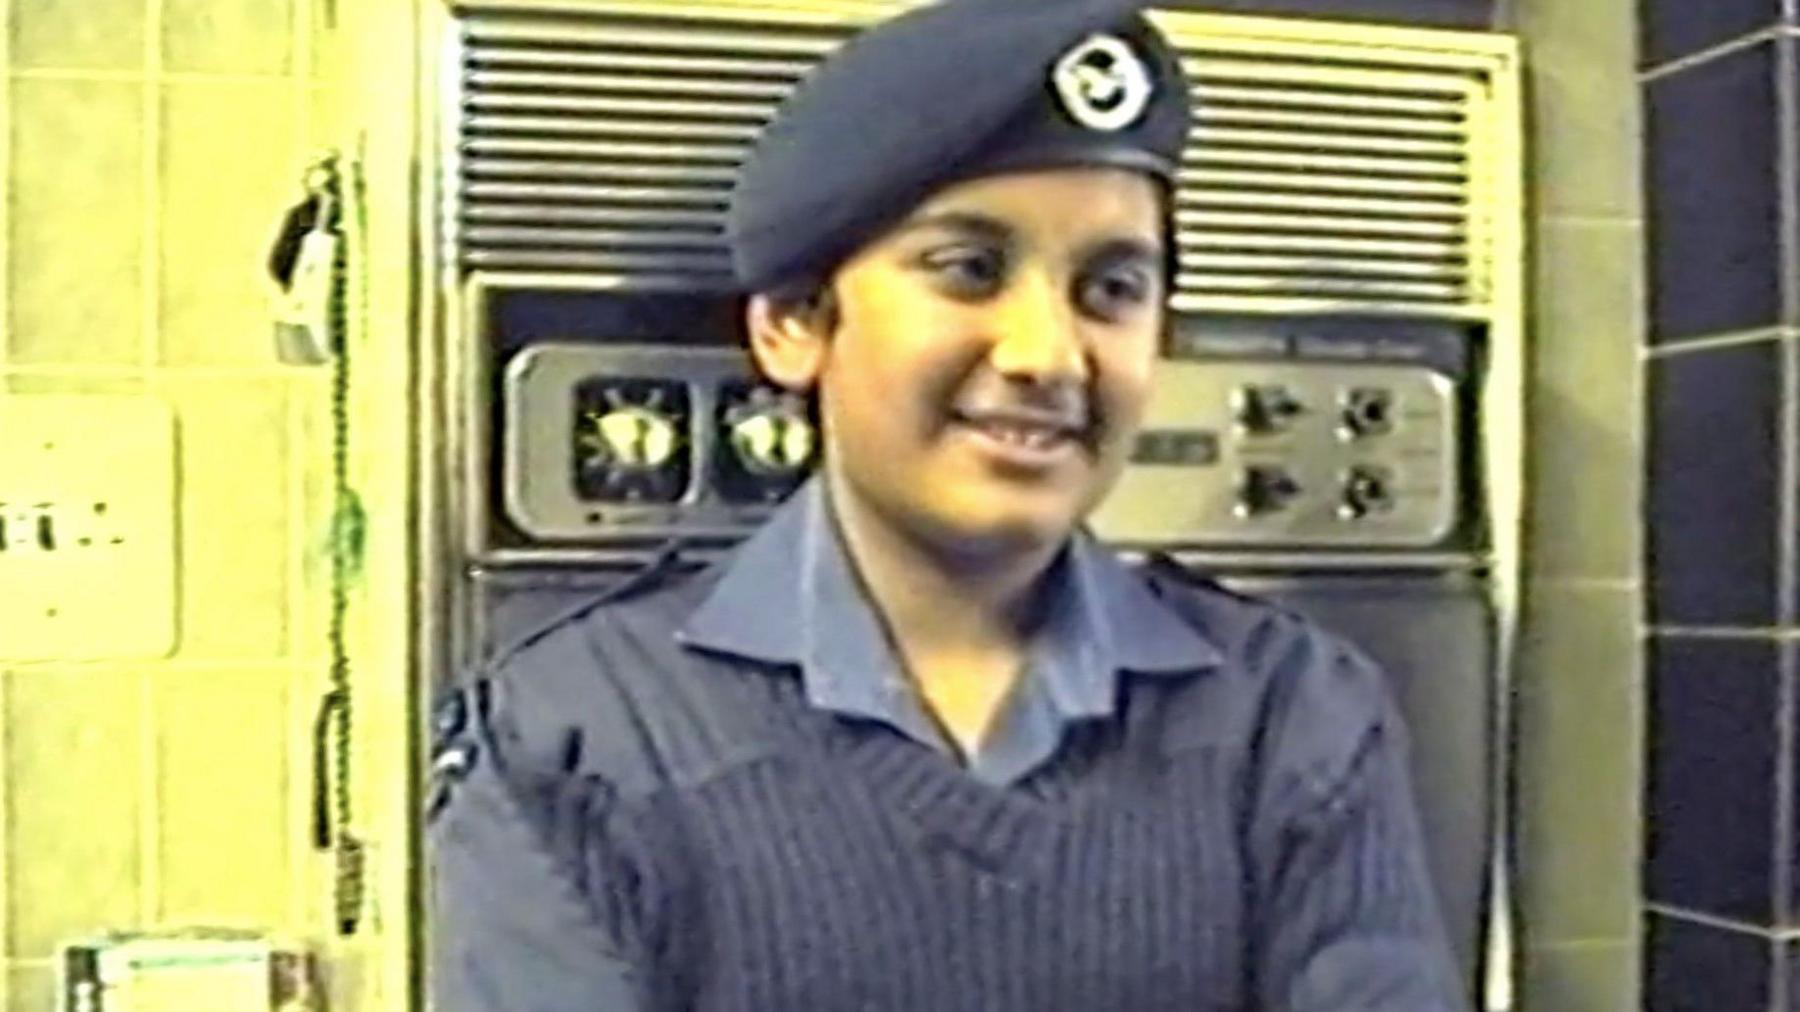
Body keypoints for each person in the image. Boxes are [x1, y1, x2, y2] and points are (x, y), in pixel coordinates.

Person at [427, 0, 1467, 1008]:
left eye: (1110, 289)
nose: (1047, 355)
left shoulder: (1293, 718)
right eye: (969, 269)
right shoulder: (580, 737)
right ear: (795, 321)